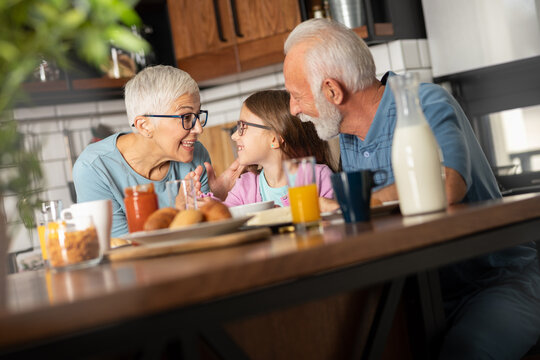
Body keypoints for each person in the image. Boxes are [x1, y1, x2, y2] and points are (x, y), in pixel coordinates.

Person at [283, 18, 540, 360]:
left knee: (464, 352)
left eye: (296, 96)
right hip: (429, 292)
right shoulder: (348, 138)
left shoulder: (422, 102)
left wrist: (361, 200)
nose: (293, 109)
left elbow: (449, 187)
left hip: (500, 279)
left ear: (332, 91)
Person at [73, 65, 242, 237]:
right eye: (186, 117)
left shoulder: (195, 154)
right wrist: (178, 212)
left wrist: (216, 198)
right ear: (144, 126)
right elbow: (123, 248)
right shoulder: (94, 168)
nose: (199, 128)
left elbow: (206, 234)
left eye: (198, 116)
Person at [223, 90, 335, 209]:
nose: (234, 136)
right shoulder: (244, 186)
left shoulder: (319, 177)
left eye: (242, 127)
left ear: (274, 139)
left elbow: (336, 220)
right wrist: (208, 200)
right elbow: (224, 216)